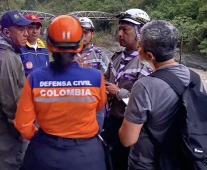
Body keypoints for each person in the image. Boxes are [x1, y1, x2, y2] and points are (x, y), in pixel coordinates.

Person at [14, 15, 107, 170]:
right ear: (79, 45)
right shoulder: (95, 78)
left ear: (49, 45)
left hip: (44, 155)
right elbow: (99, 108)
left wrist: (42, 140)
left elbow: (22, 124)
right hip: (87, 156)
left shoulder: (35, 78)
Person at [118, 20, 206, 170]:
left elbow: (127, 139)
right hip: (184, 158)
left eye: (140, 47)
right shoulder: (194, 77)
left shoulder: (144, 86)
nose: (138, 50)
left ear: (149, 55)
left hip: (149, 163)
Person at [0, 10, 32, 170]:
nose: (26, 34)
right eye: (21, 30)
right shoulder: (6, 58)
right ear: (6, 32)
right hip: (9, 131)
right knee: (13, 164)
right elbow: (10, 102)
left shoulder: (3, 53)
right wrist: (24, 130)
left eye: (27, 29)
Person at [102, 8, 152, 170]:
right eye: (119, 29)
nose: (120, 34)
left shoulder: (146, 63)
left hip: (131, 125)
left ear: (140, 33)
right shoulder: (116, 57)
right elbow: (106, 79)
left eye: (125, 30)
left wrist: (118, 93)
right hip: (111, 121)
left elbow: (144, 103)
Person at [77, 17, 111, 131]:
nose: (82, 36)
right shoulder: (69, 55)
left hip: (96, 104)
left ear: (92, 34)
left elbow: (107, 79)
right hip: (75, 104)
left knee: (96, 133)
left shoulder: (99, 55)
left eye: (85, 32)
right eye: (79, 32)